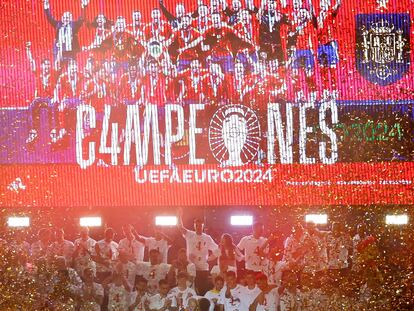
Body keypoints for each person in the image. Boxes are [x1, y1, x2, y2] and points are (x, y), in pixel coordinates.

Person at [25, 41, 60, 146]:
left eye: (48, 65)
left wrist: (58, 49)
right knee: (31, 107)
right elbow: (31, 62)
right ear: (42, 66)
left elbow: (58, 61)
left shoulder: (53, 74)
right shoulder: (38, 73)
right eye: (45, 65)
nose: (47, 67)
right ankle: (33, 133)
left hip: (49, 99)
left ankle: (53, 134)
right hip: (39, 98)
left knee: (53, 107)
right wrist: (28, 50)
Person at [178, 208, 218, 295]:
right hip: (191, 268)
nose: (198, 227)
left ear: (203, 226)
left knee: (202, 290)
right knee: (190, 289)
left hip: (203, 268)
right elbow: (180, 228)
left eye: (200, 226)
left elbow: (217, 250)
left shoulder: (207, 238)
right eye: (197, 225)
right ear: (194, 226)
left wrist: (209, 258)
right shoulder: (190, 234)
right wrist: (179, 216)